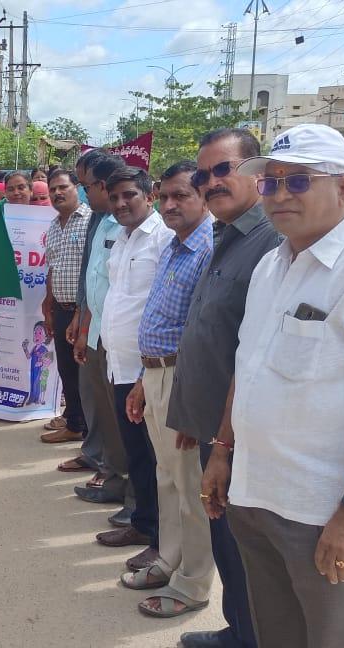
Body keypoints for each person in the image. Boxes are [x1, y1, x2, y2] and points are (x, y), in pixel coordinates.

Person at [203, 123, 344, 648]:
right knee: (277, 634)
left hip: (322, 510)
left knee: (339, 639)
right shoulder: (270, 266)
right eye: (271, 183)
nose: (280, 195)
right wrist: (222, 451)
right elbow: (248, 365)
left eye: (298, 181)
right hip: (256, 495)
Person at [167, 127, 281, 648]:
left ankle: (252, 637)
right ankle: (241, 631)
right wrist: (193, 419)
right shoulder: (227, 235)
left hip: (236, 435)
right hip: (211, 425)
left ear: (254, 173)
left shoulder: (269, 244)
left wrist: (223, 442)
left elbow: (251, 355)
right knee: (226, 541)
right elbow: (209, 333)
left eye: (222, 170)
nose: (212, 183)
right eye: (203, 175)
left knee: (243, 548)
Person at [120, 161, 215, 619]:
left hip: (184, 378)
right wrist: (142, 379)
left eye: (181, 196)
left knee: (191, 484)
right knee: (167, 478)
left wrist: (189, 396)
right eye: (164, 196)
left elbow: (205, 334)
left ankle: (193, 583)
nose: (170, 204)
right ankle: (169, 560)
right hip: (155, 374)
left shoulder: (210, 248)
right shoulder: (175, 247)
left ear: (204, 198)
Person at [93, 167, 174, 554]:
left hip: (147, 371)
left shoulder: (164, 239)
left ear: (149, 195)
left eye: (130, 195)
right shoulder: (121, 238)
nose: (121, 204)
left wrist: (144, 375)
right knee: (137, 454)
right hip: (118, 364)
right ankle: (142, 526)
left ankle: (162, 539)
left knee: (159, 459)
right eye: (115, 198)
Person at [69, 153, 138, 541]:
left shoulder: (136, 226)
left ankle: (133, 497)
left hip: (122, 342)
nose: (83, 192)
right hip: (98, 333)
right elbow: (94, 278)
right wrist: (84, 322)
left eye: (86, 185)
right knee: (107, 414)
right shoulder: (102, 222)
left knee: (124, 421)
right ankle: (113, 478)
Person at [39, 168, 92, 445]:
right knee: (66, 372)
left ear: (77, 188)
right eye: (52, 190)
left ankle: (89, 432)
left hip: (84, 311)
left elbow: (94, 270)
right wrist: (48, 305)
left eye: (63, 187)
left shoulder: (90, 221)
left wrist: (81, 313)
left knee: (87, 374)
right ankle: (74, 422)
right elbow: (52, 267)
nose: (57, 193)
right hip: (60, 309)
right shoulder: (53, 226)